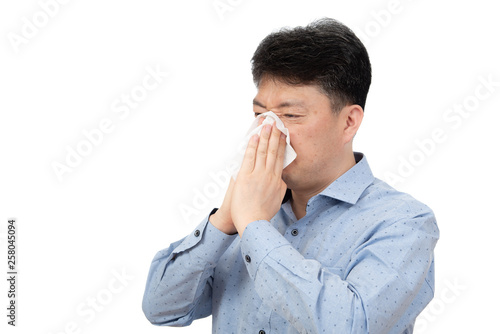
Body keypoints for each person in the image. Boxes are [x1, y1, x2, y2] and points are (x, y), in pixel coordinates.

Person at [142, 18, 439, 333]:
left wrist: (255, 228)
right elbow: (161, 309)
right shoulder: (244, 213)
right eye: (260, 115)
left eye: (290, 115)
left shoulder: (404, 221)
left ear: (349, 122)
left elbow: (351, 326)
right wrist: (226, 220)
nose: (269, 130)